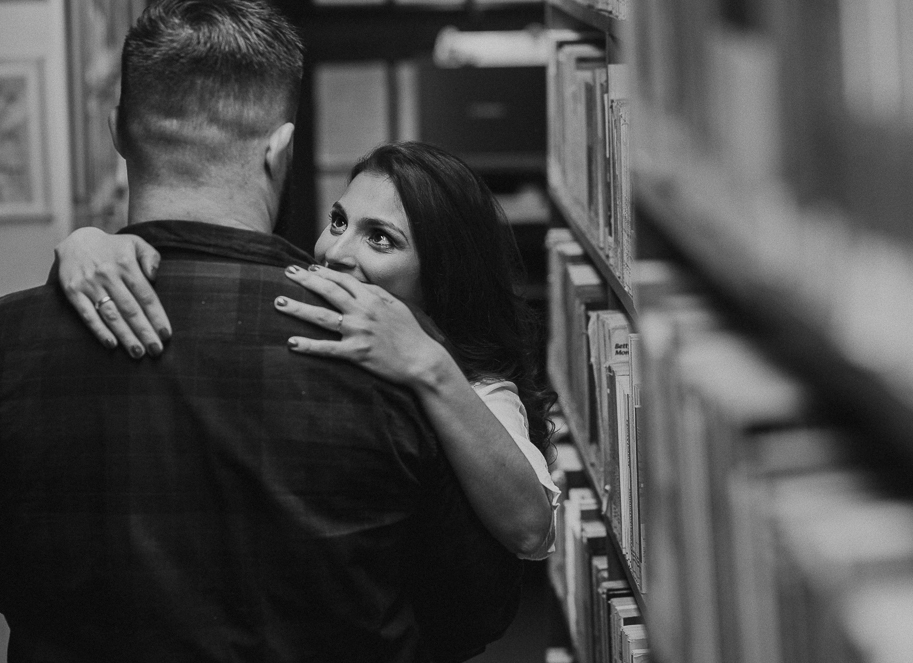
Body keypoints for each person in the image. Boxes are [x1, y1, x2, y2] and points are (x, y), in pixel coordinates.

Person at [0, 0, 520, 662]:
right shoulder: (383, 361)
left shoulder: (14, 345)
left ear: (118, 130)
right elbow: (472, 611)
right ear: (281, 150)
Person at [55, 141, 561, 562]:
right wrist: (93, 245)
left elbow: (530, 532)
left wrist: (429, 364)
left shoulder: (473, 388)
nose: (334, 252)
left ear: (442, 276)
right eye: (339, 221)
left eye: (380, 239)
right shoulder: (297, 303)